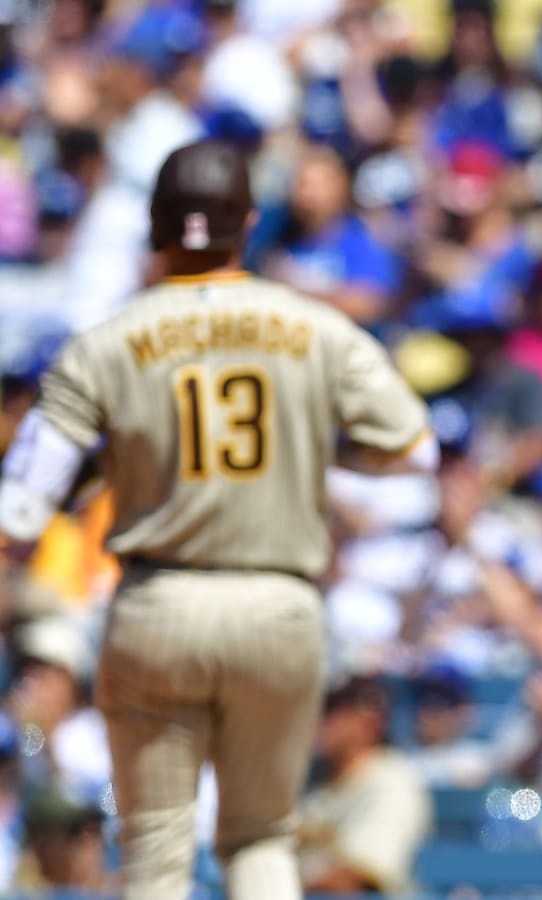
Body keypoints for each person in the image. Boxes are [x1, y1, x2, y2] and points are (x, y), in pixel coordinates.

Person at [0, 138, 436, 900]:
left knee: (158, 850)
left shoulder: (101, 344)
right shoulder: (315, 327)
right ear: (251, 223)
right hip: (278, 606)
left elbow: (21, 510)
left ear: (156, 226)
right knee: (260, 839)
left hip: (158, 604)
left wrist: (105, 470)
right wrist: (308, 447)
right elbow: (411, 447)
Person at [296, 672, 432, 894]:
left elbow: (355, 879)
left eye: (329, 709)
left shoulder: (391, 780)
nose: (316, 720)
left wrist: (270, 880)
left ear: (368, 720)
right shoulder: (313, 779)